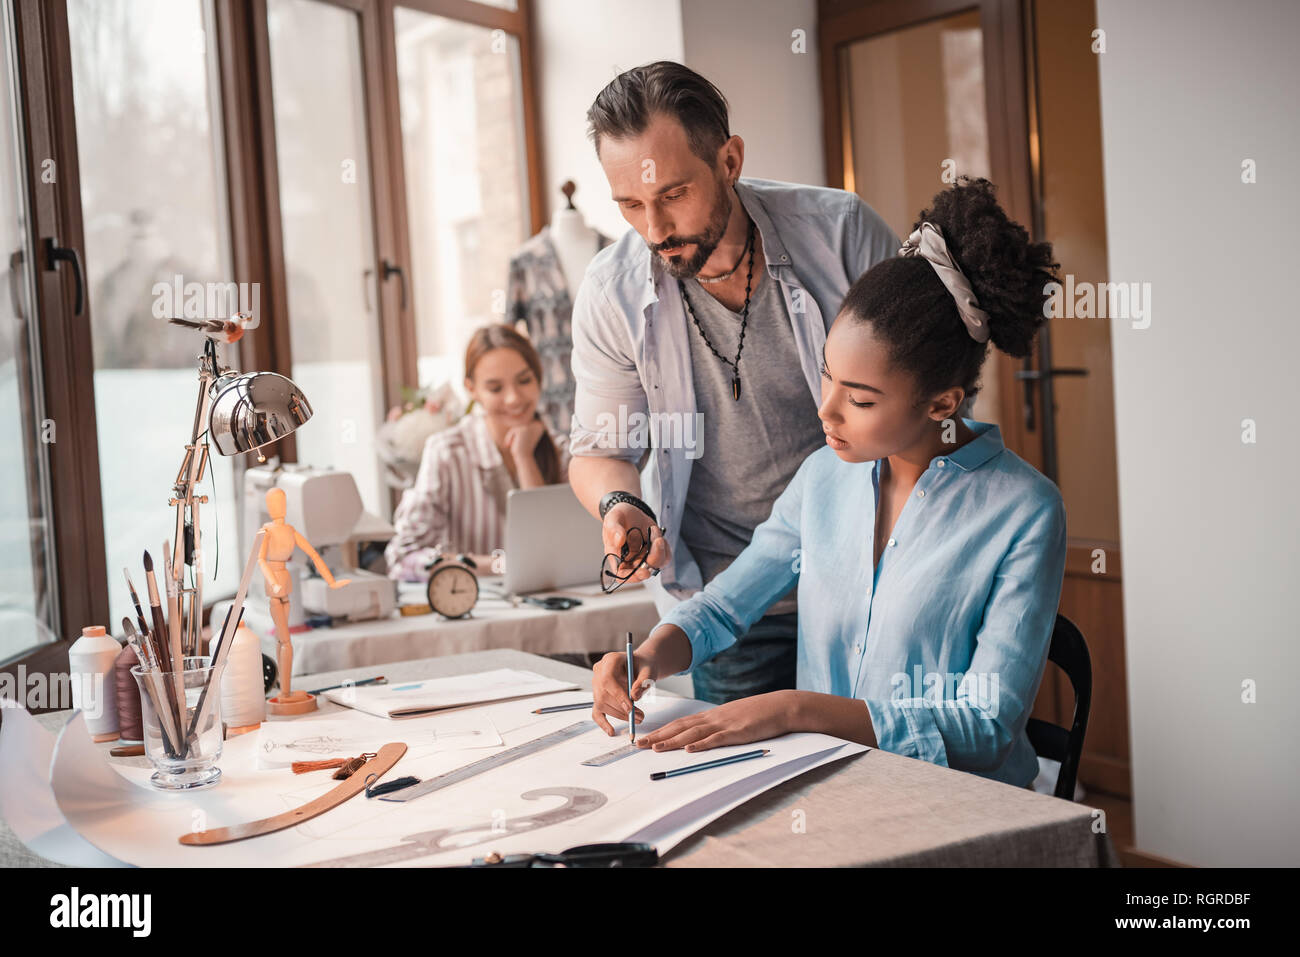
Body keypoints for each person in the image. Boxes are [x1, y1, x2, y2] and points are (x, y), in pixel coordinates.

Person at [590, 178, 1068, 788]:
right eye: (827, 378)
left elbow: (987, 725)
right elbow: (723, 609)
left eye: (861, 400)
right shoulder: (822, 478)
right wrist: (649, 656)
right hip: (834, 790)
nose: (827, 412)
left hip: (960, 807)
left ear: (942, 403)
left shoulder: (1024, 511)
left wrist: (797, 710)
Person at [569, 61, 899, 704]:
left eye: (672, 194)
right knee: (759, 797)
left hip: (870, 583)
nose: (654, 230)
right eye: (630, 205)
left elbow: (931, 389)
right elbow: (601, 451)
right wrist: (620, 506)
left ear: (729, 160)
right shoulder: (612, 292)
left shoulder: (841, 234)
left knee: (886, 786)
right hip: (726, 608)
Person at [385, 324, 569, 580]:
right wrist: (497, 565)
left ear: (539, 378)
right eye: (495, 388)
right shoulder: (447, 453)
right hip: (477, 612)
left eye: (524, 380)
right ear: (472, 389)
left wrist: (524, 458)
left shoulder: (563, 452)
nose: (513, 398)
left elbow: (556, 553)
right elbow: (404, 558)